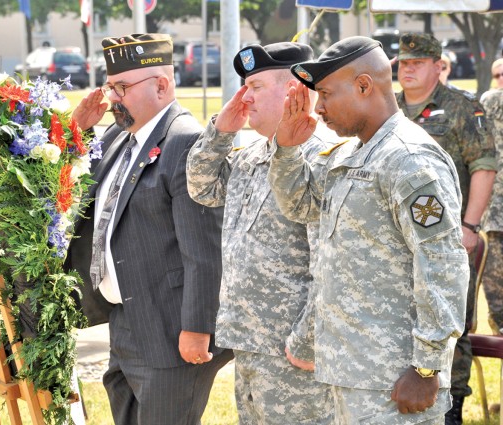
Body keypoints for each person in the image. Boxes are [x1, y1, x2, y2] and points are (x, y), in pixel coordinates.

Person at [268, 36, 469, 423]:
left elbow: (442, 264)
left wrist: (426, 367)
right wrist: (288, 150)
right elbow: (300, 206)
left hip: (395, 378)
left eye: (326, 94)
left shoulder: (409, 159)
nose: (320, 107)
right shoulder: (351, 153)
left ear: (364, 85)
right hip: (351, 369)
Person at [66, 33, 233, 425]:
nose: (113, 99)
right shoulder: (115, 137)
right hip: (127, 322)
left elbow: (204, 248)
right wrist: (78, 135)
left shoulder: (186, 141)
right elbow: (79, 200)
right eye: (110, 87)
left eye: (122, 88)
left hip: (171, 330)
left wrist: (197, 328)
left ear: (162, 85)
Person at [186, 42, 334, 424]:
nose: (245, 97)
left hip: (293, 350)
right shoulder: (252, 153)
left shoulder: (323, 159)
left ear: (294, 91)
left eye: (255, 87)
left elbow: (333, 266)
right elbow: (201, 187)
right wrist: (220, 131)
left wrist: (305, 343)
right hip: (250, 341)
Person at [395, 33, 497, 425]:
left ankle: (451, 405)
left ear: (439, 66)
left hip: (450, 238)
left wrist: (470, 226)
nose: (408, 69)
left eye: (417, 63)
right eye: (403, 63)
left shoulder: (461, 108)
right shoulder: (392, 108)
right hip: (402, 241)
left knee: (451, 321)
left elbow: (483, 166)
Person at [480, 58, 503, 334]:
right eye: (497, 75)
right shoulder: (491, 101)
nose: (500, 80)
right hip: (495, 209)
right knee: (495, 275)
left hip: (494, 209)